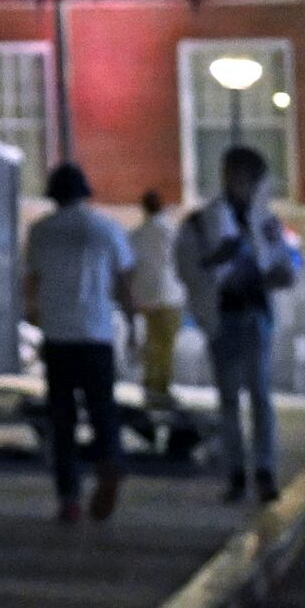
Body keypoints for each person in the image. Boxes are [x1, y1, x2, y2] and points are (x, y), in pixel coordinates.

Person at [173, 147, 305, 502]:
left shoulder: (262, 221)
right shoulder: (204, 222)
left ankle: (262, 470)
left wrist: (277, 275)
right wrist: (216, 265)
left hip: (253, 313)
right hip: (224, 317)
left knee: (258, 394)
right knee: (231, 398)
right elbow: (188, 269)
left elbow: (284, 265)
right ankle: (237, 472)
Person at [22, 164, 134, 524]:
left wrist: (34, 318)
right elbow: (124, 280)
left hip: (58, 336)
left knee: (62, 420)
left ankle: (69, 498)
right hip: (97, 334)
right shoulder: (107, 228)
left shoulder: (40, 231)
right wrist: (131, 321)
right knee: (103, 411)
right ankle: (110, 461)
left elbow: (32, 284)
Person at [126, 186, 192, 458]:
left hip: (146, 296)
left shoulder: (138, 234)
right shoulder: (170, 231)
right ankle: (160, 387)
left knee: (152, 342)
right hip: (169, 296)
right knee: (165, 344)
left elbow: (129, 263)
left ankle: (150, 384)